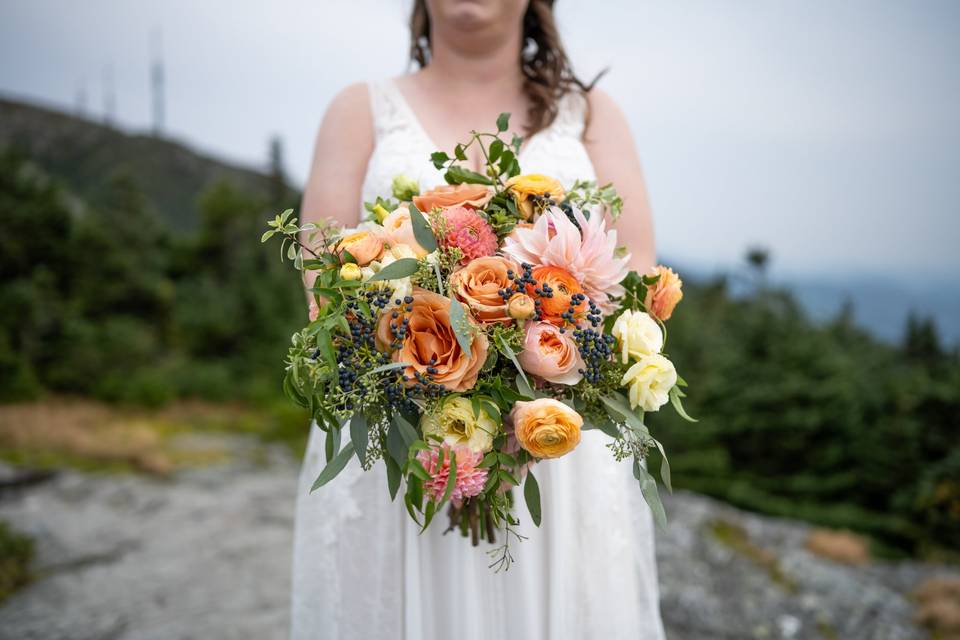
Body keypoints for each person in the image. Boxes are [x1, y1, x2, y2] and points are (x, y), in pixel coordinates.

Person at [290, 1, 664, 638]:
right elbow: (321, 274)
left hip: (559, 448)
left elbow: (639, 278)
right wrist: (426, 389)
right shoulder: (359, 108)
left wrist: (530, 400)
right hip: (398, 443)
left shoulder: (594, 118)